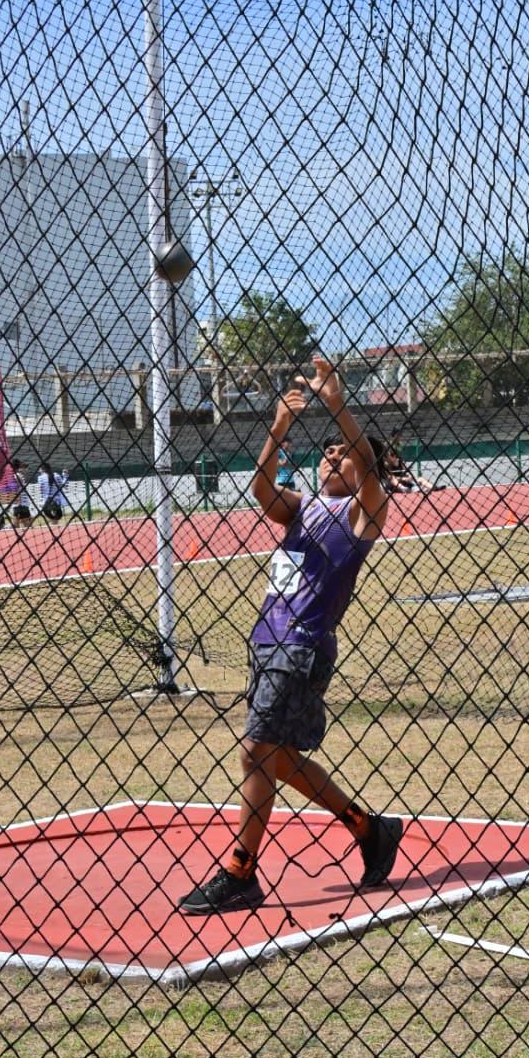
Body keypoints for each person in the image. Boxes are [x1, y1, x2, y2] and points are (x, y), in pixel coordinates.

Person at [178, 354, 402, 915]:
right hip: (267, 642)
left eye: (343, 451)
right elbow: (260, 491)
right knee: (274, 758)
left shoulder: (362, 512)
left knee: (255, 752)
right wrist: (276, 429)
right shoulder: (305, 507)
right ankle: (368, 828)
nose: (332, 453)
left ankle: (241, 872)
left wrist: (338, 406)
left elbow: (371, 472)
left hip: (301, 647)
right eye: (327, 446)